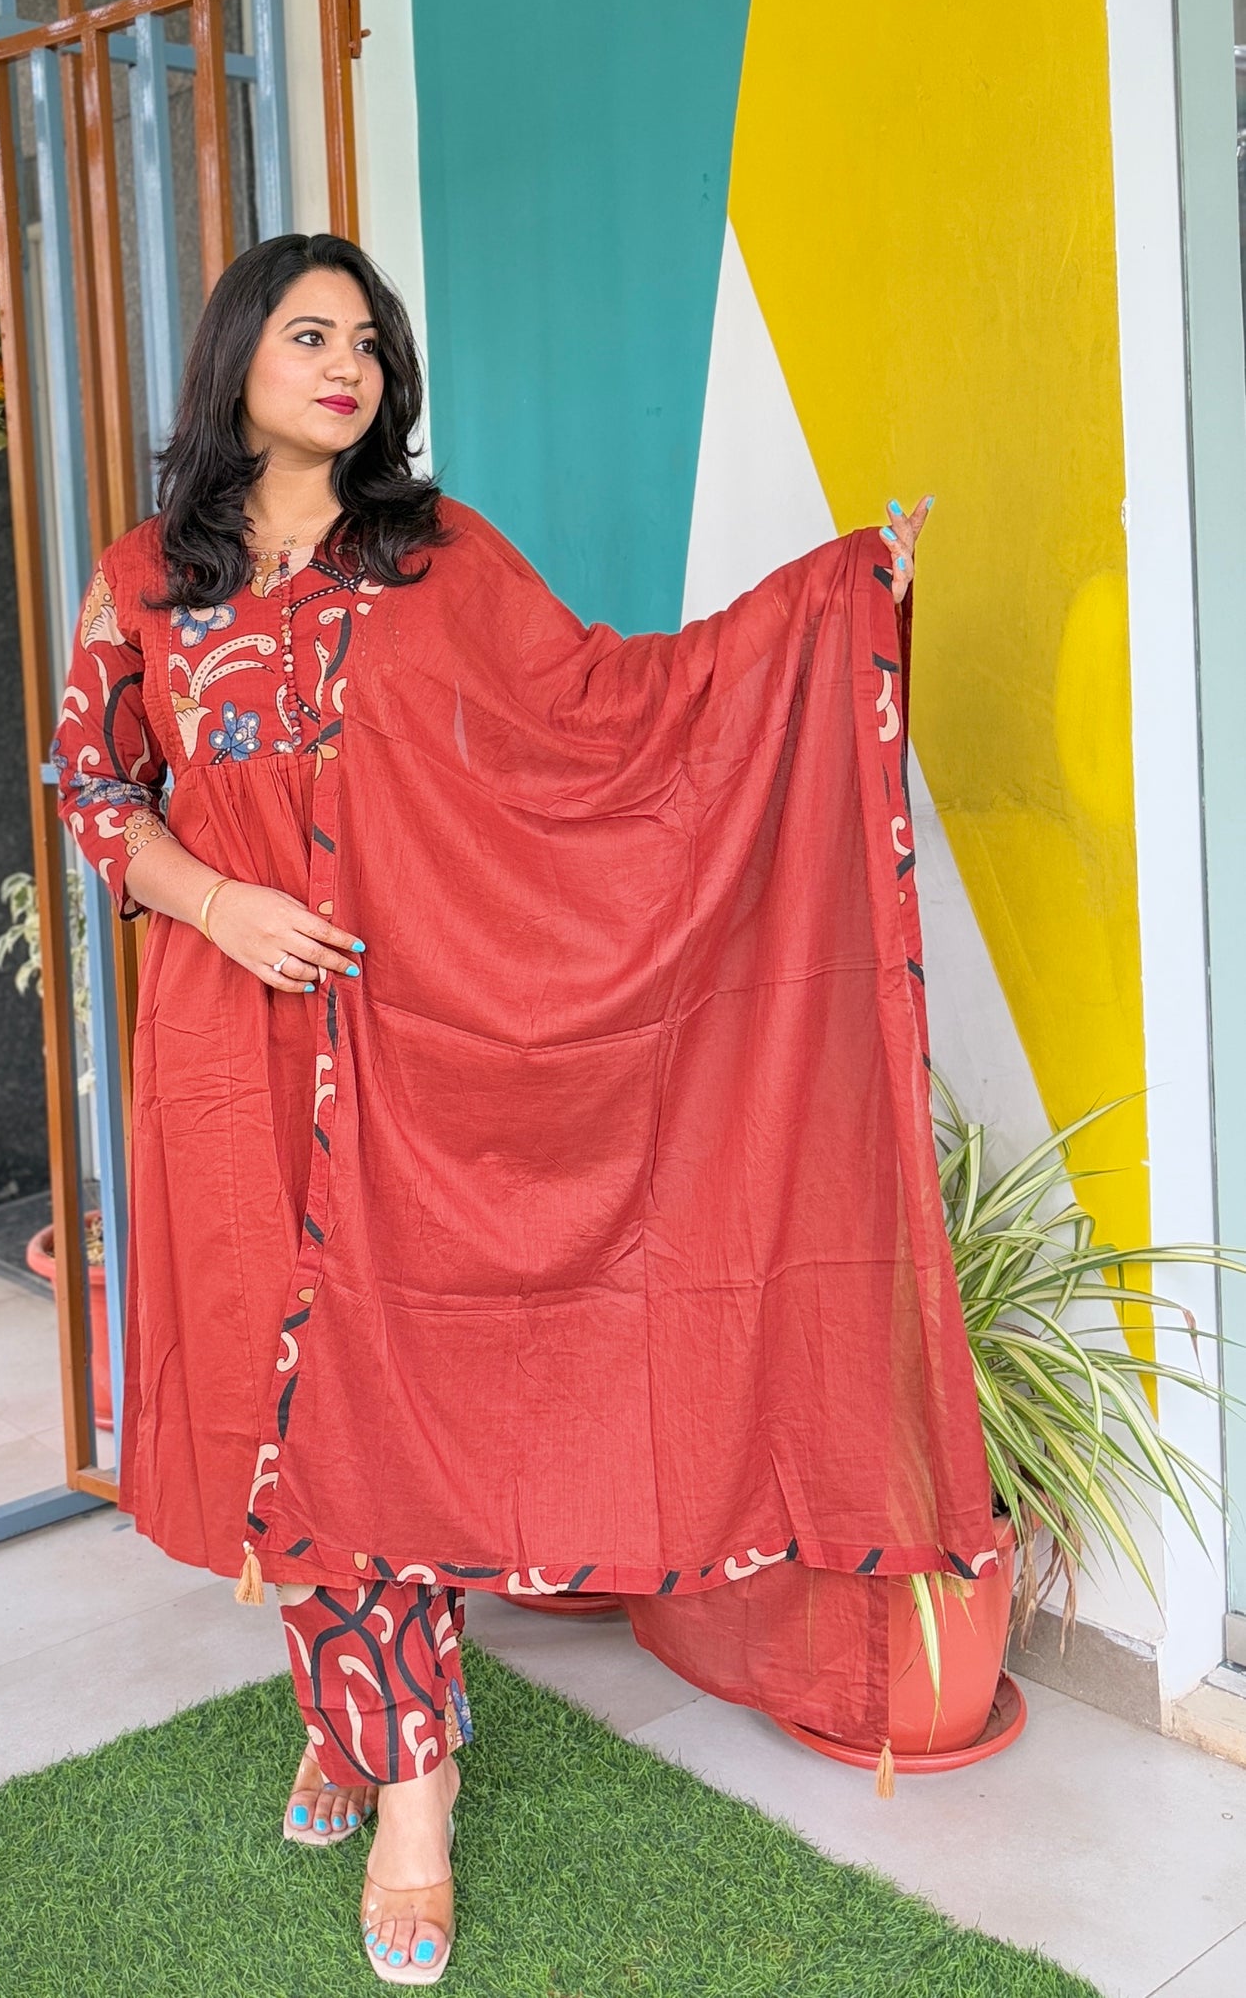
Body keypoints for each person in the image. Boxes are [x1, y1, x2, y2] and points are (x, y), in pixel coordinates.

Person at [52, 233, 968, 1987]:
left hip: (418, 1044)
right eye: (309, 334)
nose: (348, 364)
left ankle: (411, 1789)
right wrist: (217, 903)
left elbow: (611, 707)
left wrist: (832, 602)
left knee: (387, 1391)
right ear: (235, 357)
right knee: (267, 1396)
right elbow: (99, 788)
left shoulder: (435, 556)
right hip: (229, 1045)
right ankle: (360, 1714)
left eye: (369, 342)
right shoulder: (142, 583)